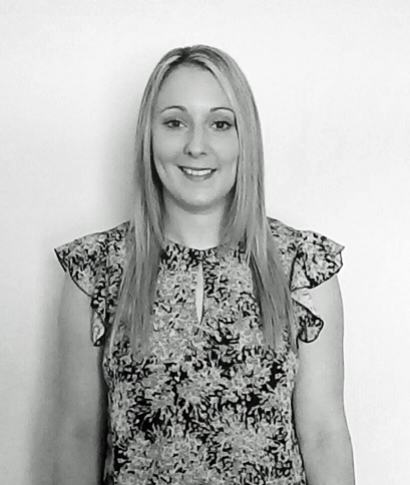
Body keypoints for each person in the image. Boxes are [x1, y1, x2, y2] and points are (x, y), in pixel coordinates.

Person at [54, 45, 355, 485]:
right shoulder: (95, 271)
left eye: (220, 124)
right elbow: (78, 435)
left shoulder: (301, 269)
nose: (196, 146)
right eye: (175, 122)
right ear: (148, 136)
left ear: (244, 138)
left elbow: (325, 435)